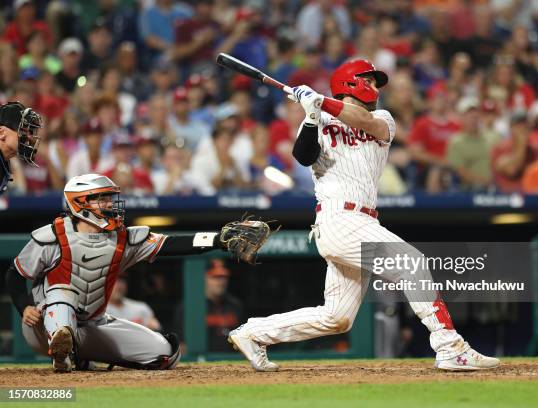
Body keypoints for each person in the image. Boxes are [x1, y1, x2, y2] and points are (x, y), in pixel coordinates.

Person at [228, 59, 499, 372]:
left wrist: (321, 102)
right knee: (411, 264)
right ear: (349, 83)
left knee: (337, 318)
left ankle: (253, 333)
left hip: (364, 220)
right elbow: (303, 157)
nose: (374, 88)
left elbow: (364, 123)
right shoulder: (319, 120)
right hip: (338, 219)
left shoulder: (382, 118)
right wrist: (312, 114)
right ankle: (450, 346)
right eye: (368, 81)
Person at [5, 173, 271, 372]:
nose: (110, 204)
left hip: (92, 324)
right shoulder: (52, 236)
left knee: (165, 354)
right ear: (80, 203)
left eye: (110, 198)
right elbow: (15, 274)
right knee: (63, 292)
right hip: (43, 327)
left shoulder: (122, 238)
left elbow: (171, 244)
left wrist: (218, 240)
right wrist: (24, 306)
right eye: (102, 199)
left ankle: (78, 355)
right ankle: (62, 352)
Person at [0, 101, 43, 193]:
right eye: (23, 131)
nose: (29, 137)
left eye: (30, 132)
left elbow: (20, 192)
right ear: (2, 133)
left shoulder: (6, 161)